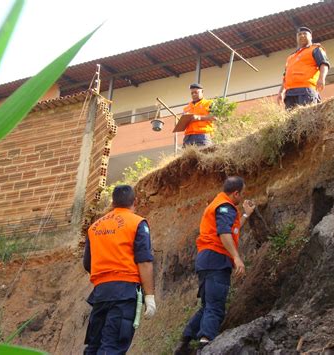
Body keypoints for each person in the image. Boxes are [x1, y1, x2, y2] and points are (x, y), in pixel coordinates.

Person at [174, 176, 255, 354]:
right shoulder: (225, 207)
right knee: (215, 306)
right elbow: (224, 233)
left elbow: (231, 229)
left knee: (207, 305)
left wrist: (246, 214)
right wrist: (236, 257)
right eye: (242, 193)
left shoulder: (219, 205)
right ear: (235, 193)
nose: (242, 197)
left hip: (206, 259)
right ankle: (206, 342)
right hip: (216, 259)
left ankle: (184, 343)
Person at [83, 185, 156, 354]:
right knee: (112, 347)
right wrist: (149, 296)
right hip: (124, 293)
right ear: (134, 201)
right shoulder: (137, 223)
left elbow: (88, 263)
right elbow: (144, 261)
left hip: (100, 294)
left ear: (113, 202)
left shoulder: (94, 227)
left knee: (94, 346)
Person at [277, 26, 330, 110]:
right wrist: (281, 92)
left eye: (305, 34)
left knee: (307, 118)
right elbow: (285, 76)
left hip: (306, 90)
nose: (302, 36)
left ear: (311, 37)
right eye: (299, 34)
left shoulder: (316, 49)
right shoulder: (291, 57)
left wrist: (321, 78)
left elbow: (324, 64)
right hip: (290, 93)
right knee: (291, 121)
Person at [182, 83, 217, 147]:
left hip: (203, 135)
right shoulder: (186, 108)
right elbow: (182, 124)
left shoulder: (209, 103)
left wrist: (199, 117)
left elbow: (214, 117)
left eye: (196, 92)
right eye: (192, 93)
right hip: (188, 137)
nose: (194, 94)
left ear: (202, 92)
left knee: (204, 155)